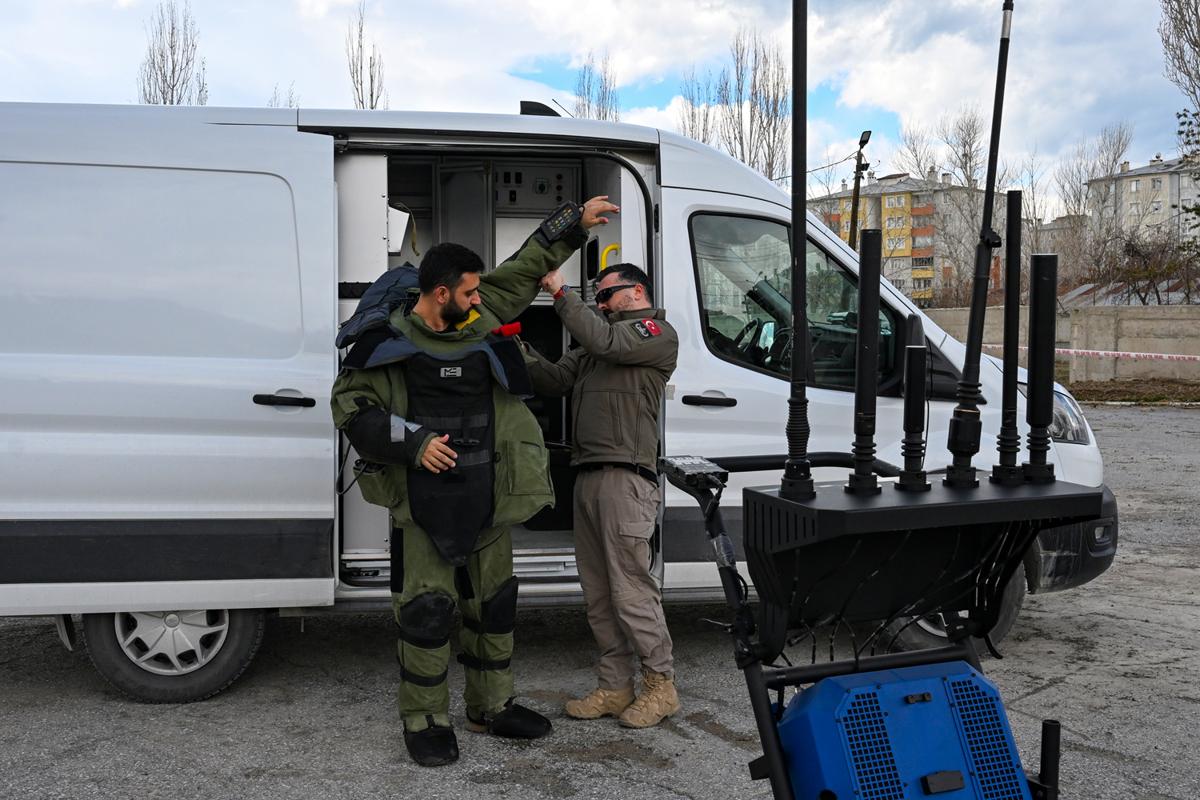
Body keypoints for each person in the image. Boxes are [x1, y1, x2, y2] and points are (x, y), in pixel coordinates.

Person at [330, 196, 617, 767]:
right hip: (422, 506)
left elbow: (523, 268)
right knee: (426, 614)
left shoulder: (478, 317)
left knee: (495, 608)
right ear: (441, 295)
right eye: (468, 292)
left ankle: (491, 707)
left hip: (489, 498)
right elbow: (351, 408)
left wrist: (572, 226)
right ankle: (425, 720)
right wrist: (413, 443)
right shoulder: (386, 342)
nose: (480, 299)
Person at [522, 262, 680, 729]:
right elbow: (553, 380)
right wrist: (512, 345)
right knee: (598, 594)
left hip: (626, 480)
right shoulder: (596, 345)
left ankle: (661, 686)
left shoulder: (654, 333)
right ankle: (615, 687)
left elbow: (608, 342)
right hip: (589, 475)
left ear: (637, 292)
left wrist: (560, 294)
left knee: (631, 590)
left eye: (607, 295)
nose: (602, 303)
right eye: (598, 298)